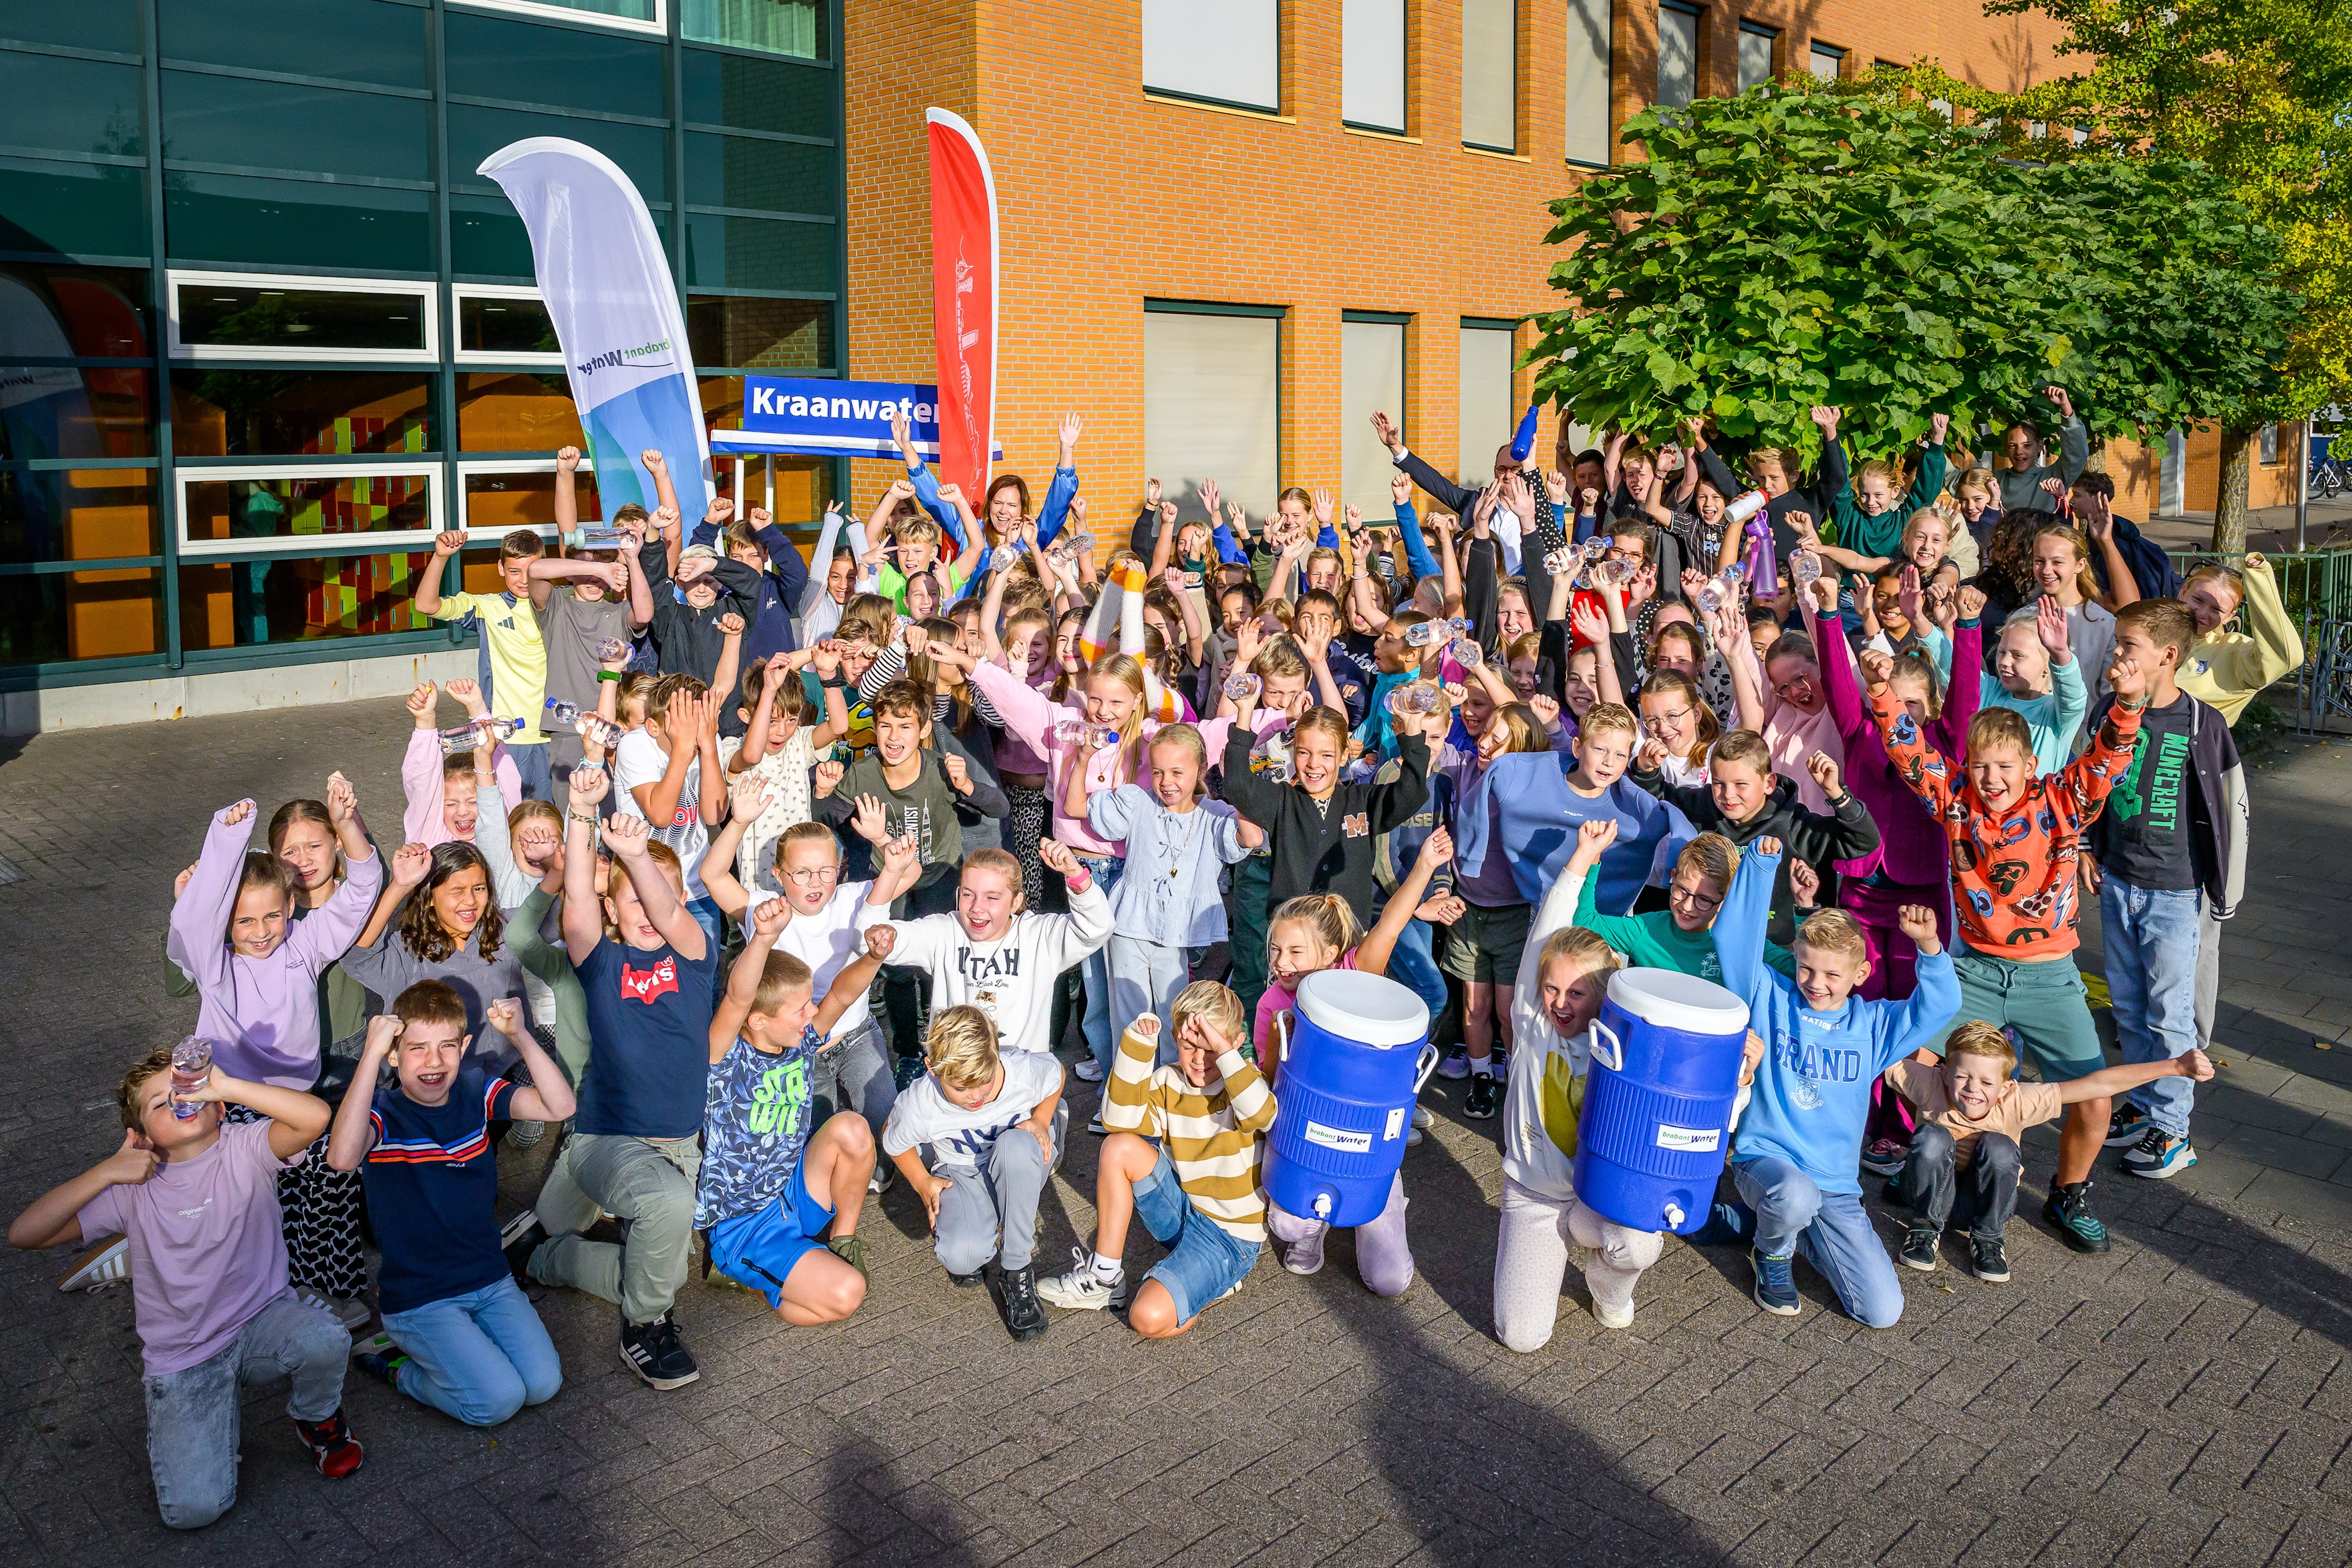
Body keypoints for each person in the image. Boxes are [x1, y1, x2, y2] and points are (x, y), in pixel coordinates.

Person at [1869, 645, 2146, 1254]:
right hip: (1974, 970)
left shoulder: (2062, 799)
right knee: (1909, 1059)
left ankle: (2068, 1193)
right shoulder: (1958, 799)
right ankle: (1929, 1169)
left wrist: (2128, 701)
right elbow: (1911, 752)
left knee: (2095, 1097)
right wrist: (1882, 691)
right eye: (1980, 766)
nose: (1991, 779)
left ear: (2030, 764)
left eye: (2004, 766)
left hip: (2050, 977)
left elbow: (2107, 757)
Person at [9, 1046, 361, 1527]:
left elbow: (316, 1117)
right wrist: (106, 1170)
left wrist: (227, 1085)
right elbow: (25, 1234)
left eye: (190, 1092)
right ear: (141, 1136)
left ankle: (317, 1417)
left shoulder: (244, 1146)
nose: (181, 1101)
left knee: (326, 1336)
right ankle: (208, 1418)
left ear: (219, 1107)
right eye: (161, 1102)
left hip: (263, 1320)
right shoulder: (132, 1186)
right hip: (185, 1356)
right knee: (193, 1511)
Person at [1494, 823, 1761, 1346]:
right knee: (1521, 1337)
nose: (1560, 1003)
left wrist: (1741, 1079)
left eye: (1577, 992)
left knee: (1640, 1243)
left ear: (1606, 993)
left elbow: (1698, 1112)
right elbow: (1547, 933)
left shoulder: (1633, 1047)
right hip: (1536, 1195)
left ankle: (1609, 1289)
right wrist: (1583, 858)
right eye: (1552, 988)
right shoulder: (1532, 1022)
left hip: (1601, 1196)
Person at [507, 765, 718, 1391]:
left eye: (659, 898)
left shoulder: (695, 955)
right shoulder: (600, 963)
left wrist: (637, 856)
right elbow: (575, 902)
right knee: (668, 1214)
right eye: (632, 900)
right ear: (611, 909)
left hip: (676, 1145)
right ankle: (643, 1328)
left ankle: (545, 1256)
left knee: (663, 1266)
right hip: (605, 1140)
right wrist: (581, 810)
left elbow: (667, 909)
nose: (648, 911)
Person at [1713, 839, 1958, 1325]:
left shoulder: (1873, 1025)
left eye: (1832, 973)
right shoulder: (1770, 996)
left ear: (1861, 974)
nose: (1816, 982)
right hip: (1769, 1162)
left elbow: (1940, 1006)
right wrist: (1760, 866)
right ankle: (1772, 1252)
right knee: (1794, 1196)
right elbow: (1733, 938)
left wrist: (1930, 947)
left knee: (1882, 1311)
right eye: (1806, 967)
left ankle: (1767, 1222)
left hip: (1835, 1186)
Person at [167, 787, 384, 1327]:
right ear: (225, 922)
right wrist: (227, 835)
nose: (260, 932)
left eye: (271, 916)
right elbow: (190, 927)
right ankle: (260, 1287)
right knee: (267, 1196)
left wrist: (348, 824)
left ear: (289, 908)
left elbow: (363, 889)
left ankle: (331, 1286)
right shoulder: (215, 967)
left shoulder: (304, 948)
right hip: (233, 1107)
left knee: (333, 1171)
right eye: (244, 921)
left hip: (297, 1102)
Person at [327, 986, 573, 1426]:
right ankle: (394, 1365)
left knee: (542, 1384)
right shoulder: (382, 1112)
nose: (434, 1061)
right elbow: (342, 1158)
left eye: (446, 1046)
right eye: (416, 1048)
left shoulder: (475, 1090)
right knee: (496, 1401)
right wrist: (369, 1056)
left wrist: (519, 1035)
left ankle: (462, 1350)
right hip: (421, 1297)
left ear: (463, 1047)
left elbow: (560, 1106)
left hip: (489, 1279)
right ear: (393, 1055)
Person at [2083, 599, 2247, 1180]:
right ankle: (2144, 1100)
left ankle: (2174, 1129)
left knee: (2169, 1013)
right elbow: (2089, 784)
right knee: (2128, 1004)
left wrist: (2226, 890)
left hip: (2175, 892)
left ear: (2167, 656)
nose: (2116, 652)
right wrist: (2085, 847)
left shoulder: (2203, 724)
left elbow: (2231, 808)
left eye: (2129, 644)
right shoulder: (2108, 710)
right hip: (2118, 881)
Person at [1254, 830, 1452, 1293]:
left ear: (1329, 954)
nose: (1282, 961)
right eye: (1276, 950)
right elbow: (1268, 1079)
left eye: (1295, 951)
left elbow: (1391, 925)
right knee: (1287, 1223)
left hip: (1367, 1142)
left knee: (1389, 1282)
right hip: (1309, 1136)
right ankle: (1315, 1226)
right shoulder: (1272, 1004)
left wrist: (1424, 865)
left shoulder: (1355, 972)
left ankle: (1380, 1200)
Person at [1890, 1021, 2215, 1282]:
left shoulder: (2018, 1099)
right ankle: (1924, 1229)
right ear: (1944, 1072)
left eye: (1987, 1083)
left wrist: (2175, 1066)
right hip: (1928, 1194)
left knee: (1999, 1145)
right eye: (1962, 1077)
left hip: (1980, 1201)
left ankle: (1988, 1238)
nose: (1973, 1089)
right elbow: (1874, 1055)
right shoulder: (1928, 1081)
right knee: (1931, 1137)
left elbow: (2097, 1085)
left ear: (2006, 1087)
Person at [1038, 984, 1277, 1336]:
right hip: (1184, 1211)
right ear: (1176, 1039)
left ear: (1233, 1044)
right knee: (1118, 1146)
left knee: (1146, 1318)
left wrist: (1227, 1052)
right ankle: (1104, 1277)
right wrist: (1138, 1044)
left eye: (1211, 1048)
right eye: (1189, 1046)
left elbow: (1262, 1116)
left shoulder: (1244, 1081)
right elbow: (1118, 1120)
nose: (1200, 1059)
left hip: (1230, 1238)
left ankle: (1210, 1283)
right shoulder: (1168, 1081)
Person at [699, 900, 890, 1323]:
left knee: (852, 1129)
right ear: (757, 1021)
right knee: (846, 1295)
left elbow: (840, 994)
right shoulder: (724, 1058)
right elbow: (737, 997)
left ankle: (841, 1243)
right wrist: (763, 938)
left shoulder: (799, 1044)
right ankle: (745, 1274)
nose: (813, 1013)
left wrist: (874, 958)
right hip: (746, 1225)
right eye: (800, 1009)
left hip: (793, 1190)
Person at [882, 1005, 1067, 1340]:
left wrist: (1041, 1120)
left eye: (985, 1082)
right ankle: (989, 1216)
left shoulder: (1018, 1069)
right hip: (962, 1169)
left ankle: (1016, 1269)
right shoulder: (921, 1100)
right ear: (933, 1070)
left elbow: (1056, 1073)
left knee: (1014, 1146)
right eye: (963, 1089)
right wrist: (922, 1183)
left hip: (1019, 1157)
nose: (977, 1096)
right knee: (961, 1257)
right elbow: (893, 1139)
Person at [1082, 724, 1259, 1060]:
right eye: (1158, 772)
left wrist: (1235, 783)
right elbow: (1079, 806)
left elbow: (1251, 839)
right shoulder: (1139, 802)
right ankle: (1129, 1085)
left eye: (1178, 772)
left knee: (1173, 1014)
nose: (1166, 782)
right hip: (1128, 925)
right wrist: (1083, 758)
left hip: (1174, 934)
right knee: (1129, 1019)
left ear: (1201, 769)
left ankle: (1168, 1084)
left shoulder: (1214, 814)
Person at [1626, 733, 1879, 946]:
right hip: (1706, 945)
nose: (1728, 795)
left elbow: (1863, 842)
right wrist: (1646, 769)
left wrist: (1836, 793)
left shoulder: (1794, 824)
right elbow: (1655, 800)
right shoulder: (1701, 807)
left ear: (1769, 783)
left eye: (1740, 784)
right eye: (1719, 783)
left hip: (1775, 951)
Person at [881, 840, 1113, 1060]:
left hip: (1019, 1080)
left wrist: (1077, 876)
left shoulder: (1039, 936)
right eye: (968, 895)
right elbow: (873, 941)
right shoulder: (943, 931)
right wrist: (890, 874)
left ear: (1015, 902)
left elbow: (1098, 927)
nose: (977, 907)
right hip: (953, 1078)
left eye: (991, 898)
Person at [418, 527, 553, 800]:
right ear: (501, 569)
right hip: (505, 737)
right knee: (508, 816)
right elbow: (426, 605)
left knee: (555, 819)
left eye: (532, 570)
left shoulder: (562, 606)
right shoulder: (488, 608)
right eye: (515, 571)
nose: (524, 579)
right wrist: (440, 557)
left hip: (556, 734)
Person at [1978, 597, 2089, 773]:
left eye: (2018, 655)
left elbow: (2073, 698)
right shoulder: (1990, 692)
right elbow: (1955, 669)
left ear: (2047, 665)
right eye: (2002, 652)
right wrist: (1935, 629)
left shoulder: (2057, 714)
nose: (2005, 661)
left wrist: (2060, 654)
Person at [1995, 387, 2089, 515]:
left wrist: (2066, 407)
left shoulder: (2053, 476)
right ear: (2006, 448)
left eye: (2027, 445)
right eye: (2013, 446)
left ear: (2039, 446)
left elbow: (2077, 453)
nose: (2019, 452)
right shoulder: (1995, 480)